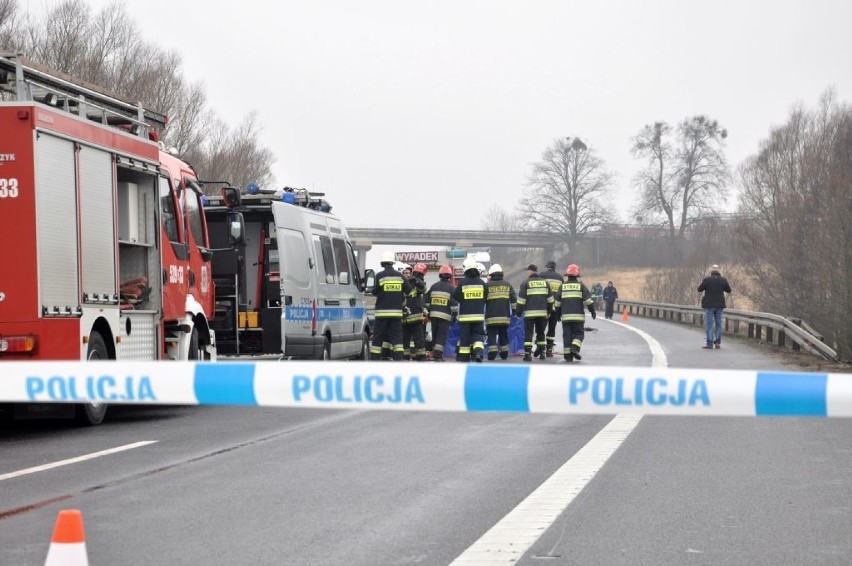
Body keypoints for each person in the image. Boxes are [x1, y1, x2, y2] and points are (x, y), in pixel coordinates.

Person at [370, 252, 412, 360]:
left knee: (378, 337)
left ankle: (374, 359)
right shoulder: (400, 276)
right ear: (393, 263)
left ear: (383, 263)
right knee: (397, 338)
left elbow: (374, 292)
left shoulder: (379, 276)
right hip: (396, 314)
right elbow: (409, 291)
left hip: (381, 314)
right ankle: (398, 359)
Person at [452, 258, 488, 362]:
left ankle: (464, 358)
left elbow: (456, 296)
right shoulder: (481, 282)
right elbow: (486, 297)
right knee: (478, 337)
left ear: (465, 270)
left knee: (465, 339)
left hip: (465, 318)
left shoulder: (463, 282)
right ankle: (478, 353)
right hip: (478, 317)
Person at [516, 263, 554, 362]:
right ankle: (542, 353)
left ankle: (528, 355)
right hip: (542, 313)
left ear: (530, 271)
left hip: (529, 314)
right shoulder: (545, 283)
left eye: (528, 271)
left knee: (529, 333)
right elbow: (550, 300)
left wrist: (518, 313)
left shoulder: (525, 283)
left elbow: (521, 301)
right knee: (541, 333)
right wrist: (549, 312)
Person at [558, 264, 595, 362]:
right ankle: (574, 348)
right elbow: (588, 301)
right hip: (578, 318)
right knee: (579, 334)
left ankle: (567, 356)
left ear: (568, 275)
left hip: (565, 317)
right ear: (577, 275)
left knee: (567, 336)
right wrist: (592, 311)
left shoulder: (562, 287)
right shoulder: (581, 286)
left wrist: (557, 315)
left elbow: (557, 303)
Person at [425, 264, 458, 361]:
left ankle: (435, 353)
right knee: (441, 336)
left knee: (435, 335)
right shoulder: (452, 288)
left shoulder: (433, 286)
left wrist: (428, 311)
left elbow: (426, 301)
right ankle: (438, 356)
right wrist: (455, 315)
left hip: (433, 315)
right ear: (449, 276)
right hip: (444, 316)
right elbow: (454, 304)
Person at [484, 263, 517, 360]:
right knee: (503, 334)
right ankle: (504, 353)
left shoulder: (487, 285)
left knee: (492, 334)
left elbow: (482, 300)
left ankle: (492, 352)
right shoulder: (508, 284)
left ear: (491, 274)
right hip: (504, 316)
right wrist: (514, 312)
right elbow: (514, 299)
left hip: (491, 317)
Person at [698, 264, 732, 349]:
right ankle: (717, 342)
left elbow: (699, 289)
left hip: (709, 305)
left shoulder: (707, 280)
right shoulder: (723, 280)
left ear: (711, 271)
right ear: (719, 271)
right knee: (719, 324)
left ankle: (709, 343)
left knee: (709, 324)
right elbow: (729, 290)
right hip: (719, 305)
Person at [402, 262, 428, 361]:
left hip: (415, 317)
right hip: (406, 317)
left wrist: (417, 281)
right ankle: (405, 356)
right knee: (405, 339)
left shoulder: (416, 282)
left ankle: (420, 356)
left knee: (418, 339)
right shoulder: (402, 284)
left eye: (409, 273)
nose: (408, 275)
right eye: (405, 273)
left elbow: (424, 290)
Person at [540, 260, 563, 357]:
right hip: (555, 308)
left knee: (541, 329)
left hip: (543, 307)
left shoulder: (541, 276)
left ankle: (540, 349)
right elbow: (562, 294)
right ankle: (549, 349)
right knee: (552, 329)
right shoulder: (560, 277)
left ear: (547, 267)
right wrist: (560, 312)